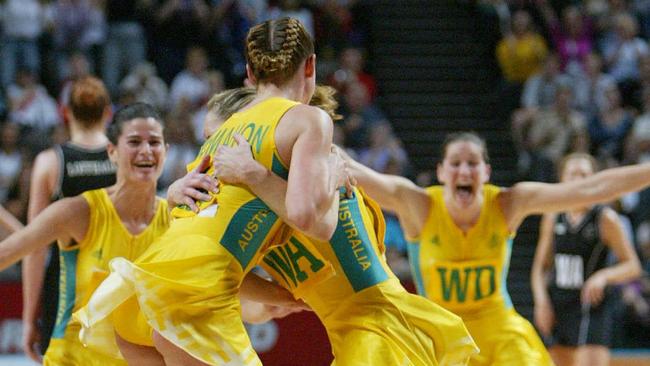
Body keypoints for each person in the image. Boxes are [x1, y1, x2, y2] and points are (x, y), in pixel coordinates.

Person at [76, 17, 341, 365]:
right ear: (311, 66)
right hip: (194, 298)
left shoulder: (221, 130)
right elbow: (310, 218)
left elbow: (200, 230)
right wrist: (324, 178)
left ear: (249, 72)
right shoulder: (307, 120)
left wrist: (276, 294)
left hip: (144, 292)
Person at [203, 86, 478, 365]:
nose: (208, 153)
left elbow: (318, 214)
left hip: (381, 333)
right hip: (356, 340)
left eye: (213, 139)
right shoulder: (249, 205)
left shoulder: (317, 173)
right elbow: (252, 303)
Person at [342, 131, 650, 365]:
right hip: (441, 329)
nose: (464, 171)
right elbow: (354, 172)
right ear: (441, 172)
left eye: (473, 164)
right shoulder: (418, 205)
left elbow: (590, 189)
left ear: (486, 173)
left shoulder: (506, 203)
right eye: (456, 164)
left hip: (499, 327)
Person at [0, 103, 169, 365]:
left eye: (155, 142)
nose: (146, 150)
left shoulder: (175, 220)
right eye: (134, 142)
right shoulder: (79, 211)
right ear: (111, 152)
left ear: (166, 151)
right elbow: (8, 252)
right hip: (73, 360)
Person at [22, 76, 116, 362]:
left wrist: (29, 317)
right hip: (116, 292)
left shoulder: (51, 162)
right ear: (108, 112)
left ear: (65, 113)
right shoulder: (125, 157)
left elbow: (35, 246)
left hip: (65, 294)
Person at [531, 153, 642, 366]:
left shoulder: (605, 218)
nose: (578, 179)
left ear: (594, 180)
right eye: (572, 174)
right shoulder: (553, 216)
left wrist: (603, 276)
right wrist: (541, 301)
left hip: (592, 307)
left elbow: (633, 266)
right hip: (558, 305)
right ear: (562, 180)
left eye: (584, 174)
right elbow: (539, 268)